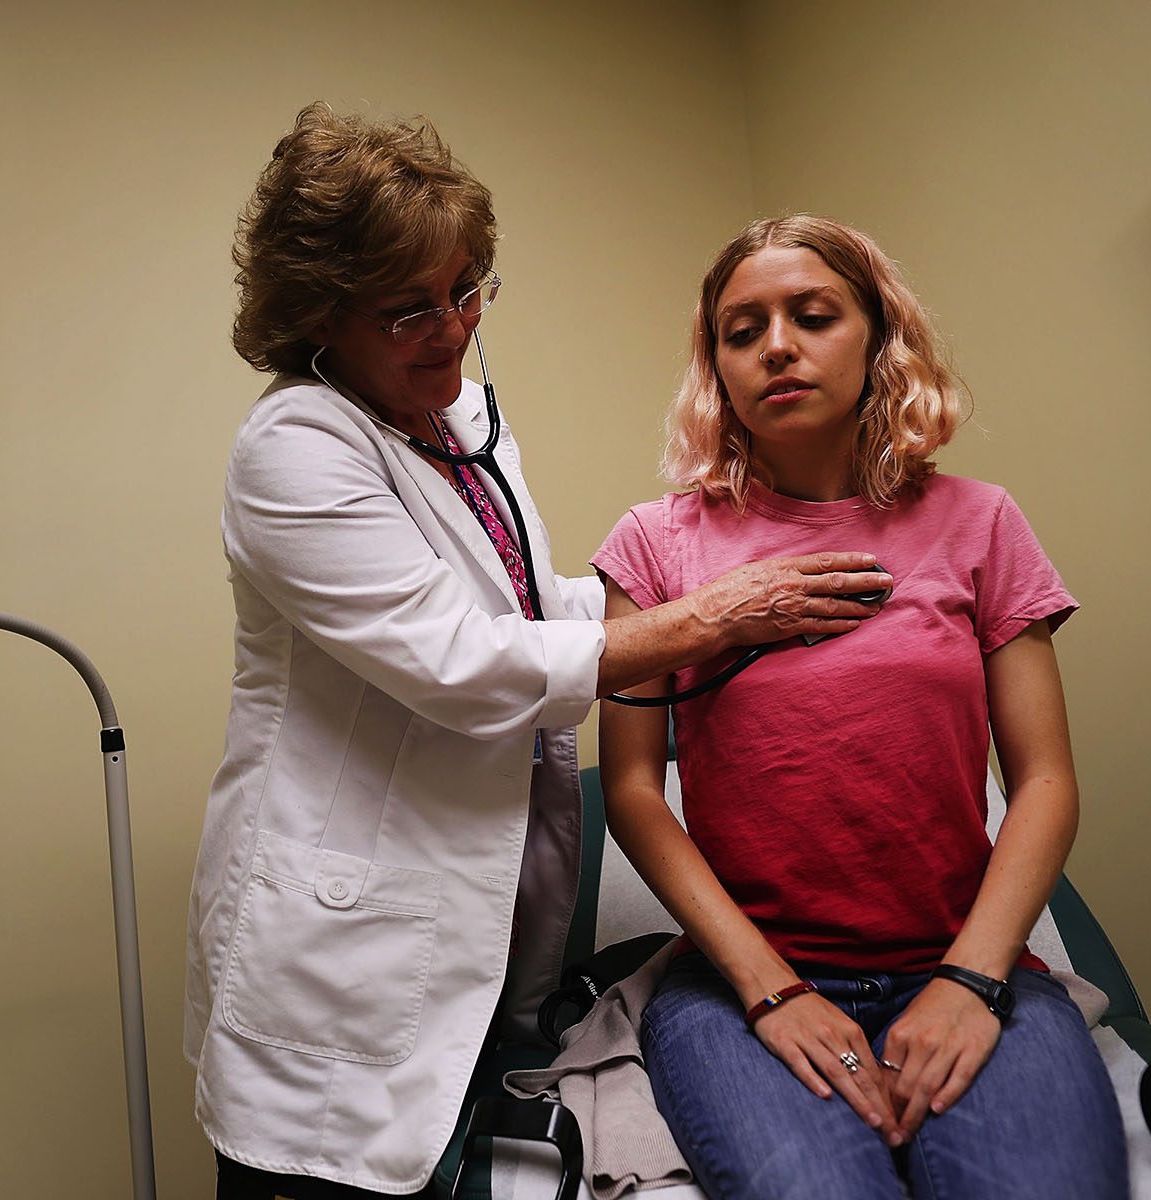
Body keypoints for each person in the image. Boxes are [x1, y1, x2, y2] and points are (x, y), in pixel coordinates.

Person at [183, 109, 893, 1198]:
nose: (452, 328)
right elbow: (466, 662)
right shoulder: (298, 447)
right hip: (342, 960)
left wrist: (673, 581)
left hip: (482, 932)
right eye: (409, 308)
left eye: (470, 289)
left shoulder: (457, 422)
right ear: (321, 313)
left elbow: (523, 603)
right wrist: (712, 614)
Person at [593, 214, 1128, 1198]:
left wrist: (971, 983)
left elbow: (1045, 778)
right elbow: (631, 790)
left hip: (963, 967)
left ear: (880, 338)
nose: (777, 346)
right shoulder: (653, 544)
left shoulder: (982, 523)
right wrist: (771, 990)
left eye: (812, 315)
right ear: (716, 366)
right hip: (739, 989)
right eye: (741, 330)